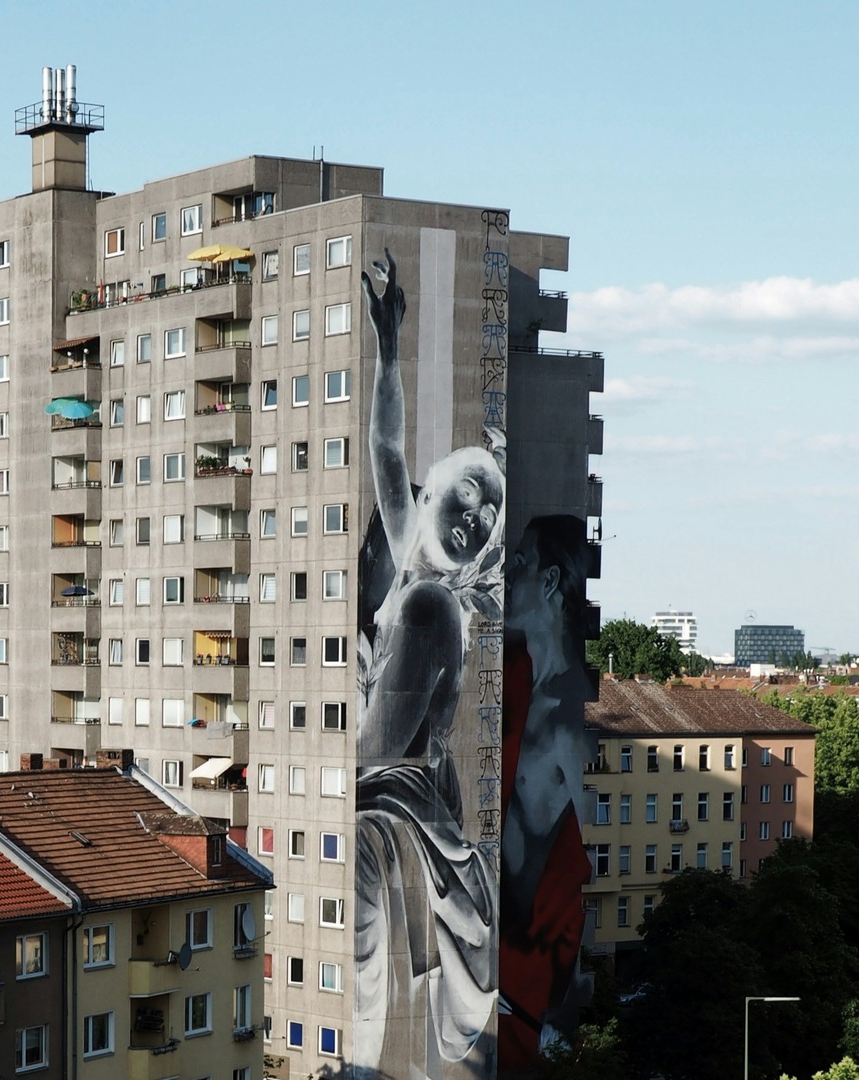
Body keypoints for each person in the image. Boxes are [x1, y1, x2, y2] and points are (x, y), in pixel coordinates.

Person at [351, 250, 507, 1080]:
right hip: (414, 798)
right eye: (465, 498)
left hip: (405, 796)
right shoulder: (413, 581)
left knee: (375, 953)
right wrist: (389, 346)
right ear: (433, 492)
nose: (472, 519)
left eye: (484, 523)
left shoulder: (426, 606)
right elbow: (384, 442)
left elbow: (377, 750)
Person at [494, 513, 594, 1061]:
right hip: (484, 963)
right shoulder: (510, 677)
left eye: (521, 562)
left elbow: (584, 875)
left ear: (551, 581)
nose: (508, 573)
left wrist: (556, 1011)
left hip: (521, 993)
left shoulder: (566, 725)